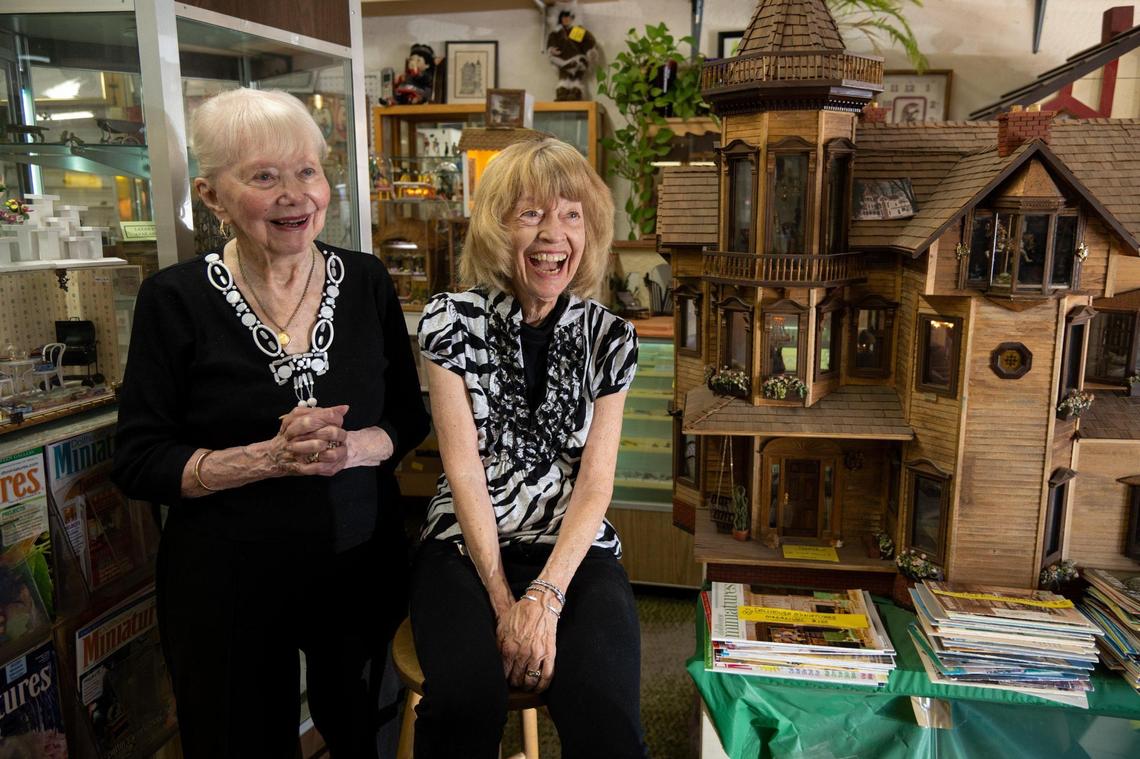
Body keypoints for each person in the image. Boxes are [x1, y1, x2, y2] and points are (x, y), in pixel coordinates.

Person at [112, 88, 429, 758]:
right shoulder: (173, 300)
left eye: (307, 171)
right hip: (224, 581)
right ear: (210, 195)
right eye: (264, 176)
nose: (296, 194)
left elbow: (408, 415)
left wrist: (356, 446)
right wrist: (264, 458)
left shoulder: (368, 282)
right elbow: (140, 458)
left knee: (366, 738)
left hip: (357, 565)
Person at [413, 137, 647, 758]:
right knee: (465, 699)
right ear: (497, 228)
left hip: (573, 549)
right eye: (531, 213)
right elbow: (463, 472)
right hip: (465, 545)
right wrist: (501, 601)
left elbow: (596, 484)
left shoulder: (611, 337)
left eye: (571, 214)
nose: (554, 235)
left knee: (604, 704)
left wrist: (544, 598)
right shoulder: (449, 322)